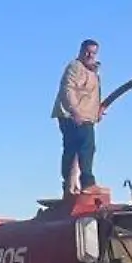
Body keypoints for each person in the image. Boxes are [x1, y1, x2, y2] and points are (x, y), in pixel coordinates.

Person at [52, 38, 103, 194]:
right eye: (87, 51)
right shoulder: (75, 67)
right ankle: (86, 182)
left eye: (93, 52)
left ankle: (71, 184)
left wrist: (98, 111)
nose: (90, 55)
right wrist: (75, 111)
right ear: (81, 51)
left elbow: (92, 95)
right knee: (85, 146)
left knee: (76, 148)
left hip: (87, 115)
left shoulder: (94, 71)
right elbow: (68, 90)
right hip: (72, 115)